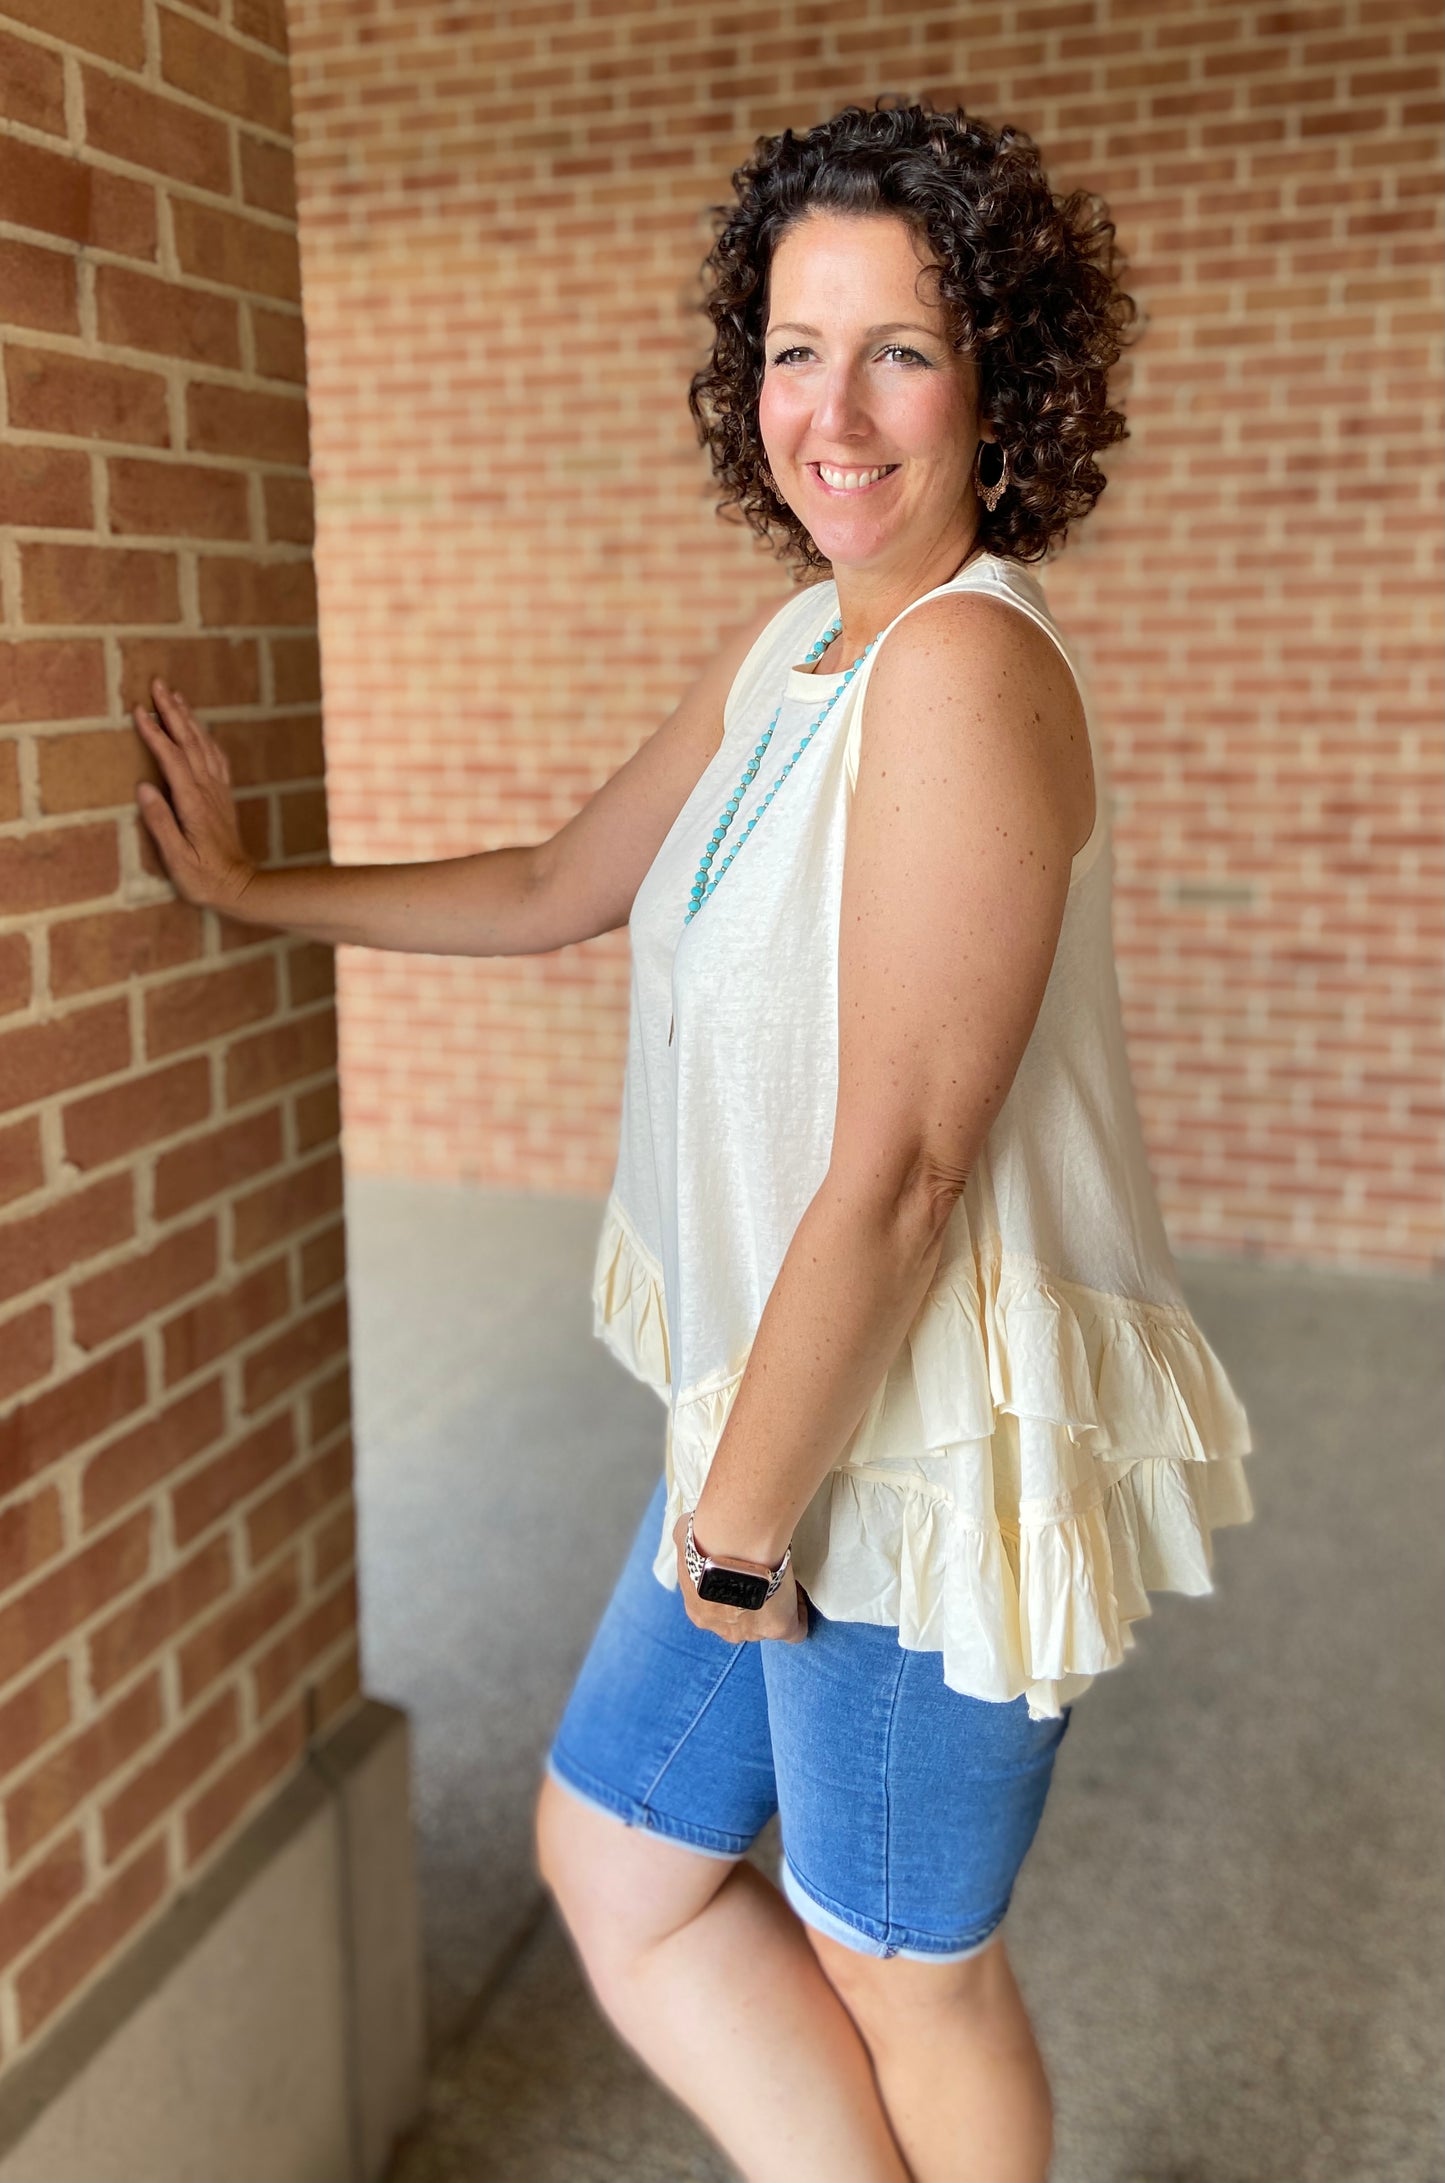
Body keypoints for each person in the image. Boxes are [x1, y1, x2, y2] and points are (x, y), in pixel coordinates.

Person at [134, 97, 1255, 2183]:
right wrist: (253, 893)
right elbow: (568, 875)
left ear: (1004, 374)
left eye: (900, 348)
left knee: (905, 1968)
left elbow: (910, 1164)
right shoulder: (797, 648)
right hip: (779, 1412)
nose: (830, 411)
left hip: (912, 1453)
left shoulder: (965, 668)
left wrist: (736, 1535)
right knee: (619, 1862)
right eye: (791, 349)